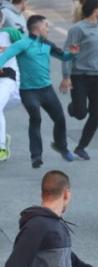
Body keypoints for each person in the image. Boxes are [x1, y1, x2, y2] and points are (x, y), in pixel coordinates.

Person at [0, 15, 79, 168]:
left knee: (60, 118)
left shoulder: (47, 44)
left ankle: (61, 147)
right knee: (36, 119)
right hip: (28, 91)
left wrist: (72, 53)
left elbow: (64, 57)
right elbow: (5, 56)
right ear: (37, 28)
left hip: (46, 89)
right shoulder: (23, 44)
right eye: (46, 26)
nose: (47, 29)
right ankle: (36, 156)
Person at [60, 0, 98, 161]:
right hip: (80, 76)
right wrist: (66, 76)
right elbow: (68, 53)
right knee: (80, 113)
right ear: (94, 10)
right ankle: (74, 108)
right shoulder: (77, 29)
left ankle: (81, 147)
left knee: (97, 113)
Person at [0, 10, 21, 162]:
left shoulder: (10, 34)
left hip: (8, 80)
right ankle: (3, 137)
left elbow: (29, 46)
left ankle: (1, 147)